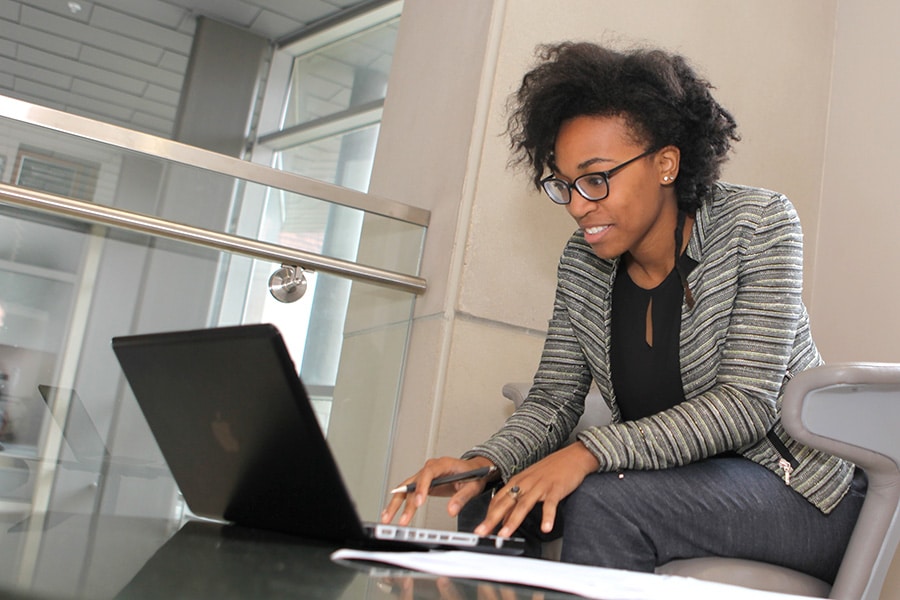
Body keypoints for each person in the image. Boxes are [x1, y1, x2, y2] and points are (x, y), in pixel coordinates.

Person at [381, 42, 865, 583]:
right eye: (564, 184)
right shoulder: (582, 262)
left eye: (596, 178)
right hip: (677, 478)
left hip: (799, 492)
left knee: (605, 503)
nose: (578, 205)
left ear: (665, 163)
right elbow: (553, 400)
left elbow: (745, 405)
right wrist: (486, 462)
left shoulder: (759, 225)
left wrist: (589, 452)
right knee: (494, 507)